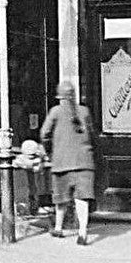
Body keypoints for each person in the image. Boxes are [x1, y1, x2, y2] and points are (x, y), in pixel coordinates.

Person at [41, 80, 97, 245]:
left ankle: (58, 228)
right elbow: (92, 136)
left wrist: (50, 151)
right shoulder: (85, 111)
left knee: (61, 198)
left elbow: (44, 134)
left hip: (62, 162)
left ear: (59, 96)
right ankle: (83, 233)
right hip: (84, 162)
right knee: (82, 199)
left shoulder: (55, 112)